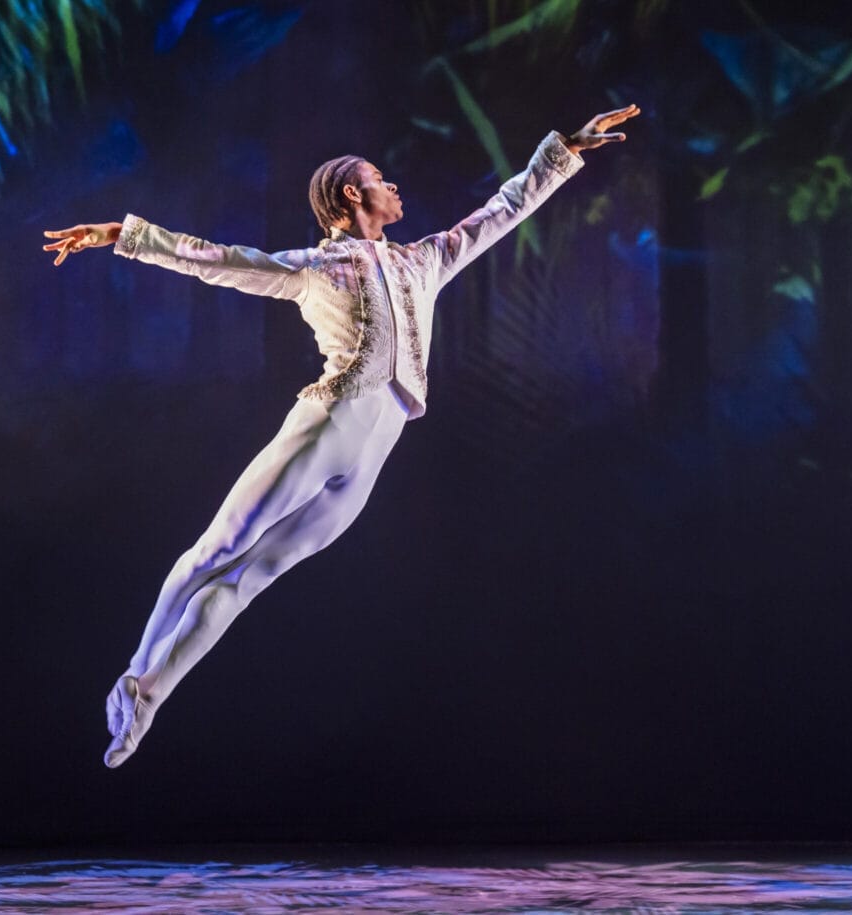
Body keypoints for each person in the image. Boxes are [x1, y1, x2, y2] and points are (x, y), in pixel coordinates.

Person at [43, 104, 640, 768]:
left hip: (372, 455)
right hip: (326, 426)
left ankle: (148, 695)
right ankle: (135, 670)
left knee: (251, 578)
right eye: (382, 179)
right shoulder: (313, 268)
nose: (395, 188)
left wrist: (567, 149)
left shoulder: (423, 261)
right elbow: (213, 259)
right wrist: (119, 235)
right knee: (220, 548)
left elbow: (503, 210)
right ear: (353, 194)